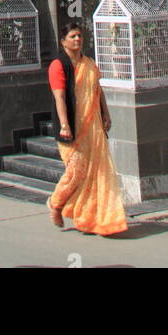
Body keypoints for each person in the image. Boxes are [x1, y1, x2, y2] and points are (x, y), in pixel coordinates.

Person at [46, 19, 127, 237]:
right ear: (63, 41)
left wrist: (106, 113)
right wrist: (64, 125)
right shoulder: (58, 66)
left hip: (93, 127)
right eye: (72, 36)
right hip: (71, 126)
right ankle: (56, 203)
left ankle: (94, 218)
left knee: (96, 172)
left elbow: (97, 90)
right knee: (76, 170)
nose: (77, 39)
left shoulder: (89, 63)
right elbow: (59, 97)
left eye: (79, 35)